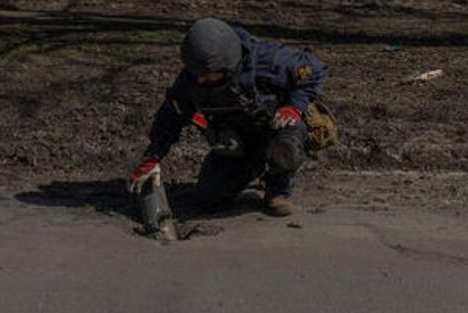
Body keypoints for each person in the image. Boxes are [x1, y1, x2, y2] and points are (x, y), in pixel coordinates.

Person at [127, 18, 329, 218]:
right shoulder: (191, 79)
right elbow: (171, 116)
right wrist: (152, 158)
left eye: (208, 74)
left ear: (227, 66)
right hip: (236, 141)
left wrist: (293, 107)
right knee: (208, 198)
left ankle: (278, 189)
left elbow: (315, 70)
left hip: (277, 130)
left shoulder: (268, 60)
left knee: (287, 143)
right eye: (197, 74)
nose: (201, 79)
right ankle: (253, 167)